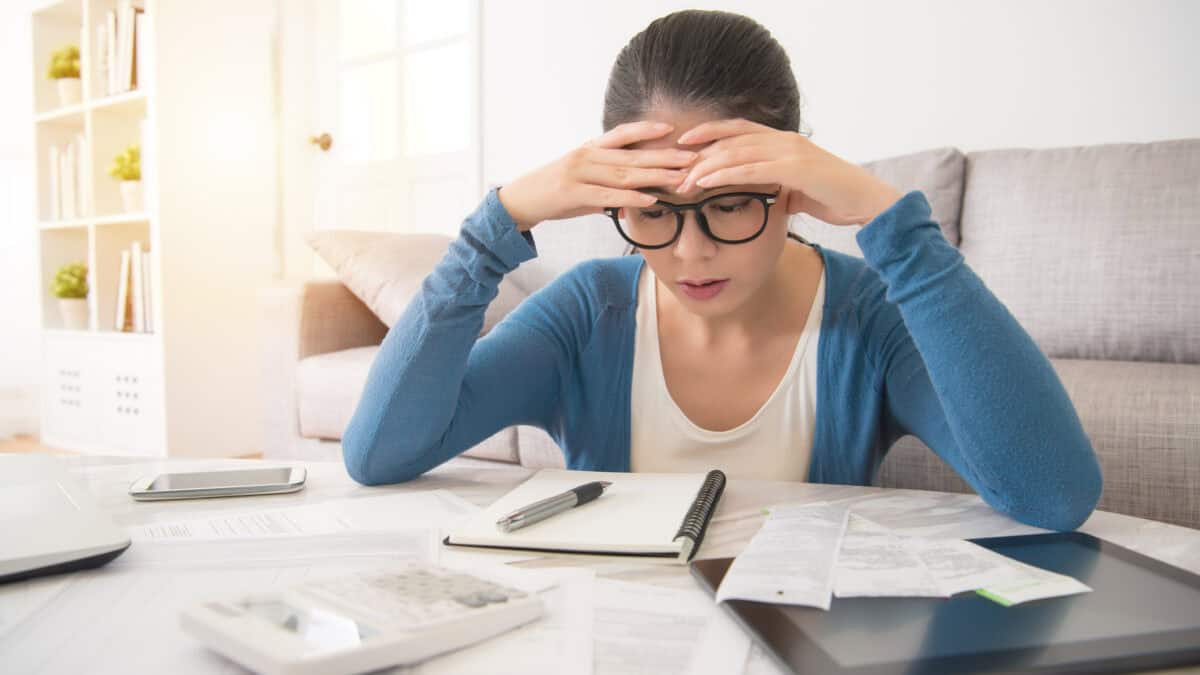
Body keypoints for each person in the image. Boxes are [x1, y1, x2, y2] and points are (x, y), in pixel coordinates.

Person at [341, 9, 1102, 531]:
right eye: (653, 210)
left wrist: (892, 224)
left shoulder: (868, 315)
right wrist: (494, 228)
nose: (690, 252)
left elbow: (1053, 494)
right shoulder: (585, 314)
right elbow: (379, 454)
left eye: (731, 204)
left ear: (792, 184)